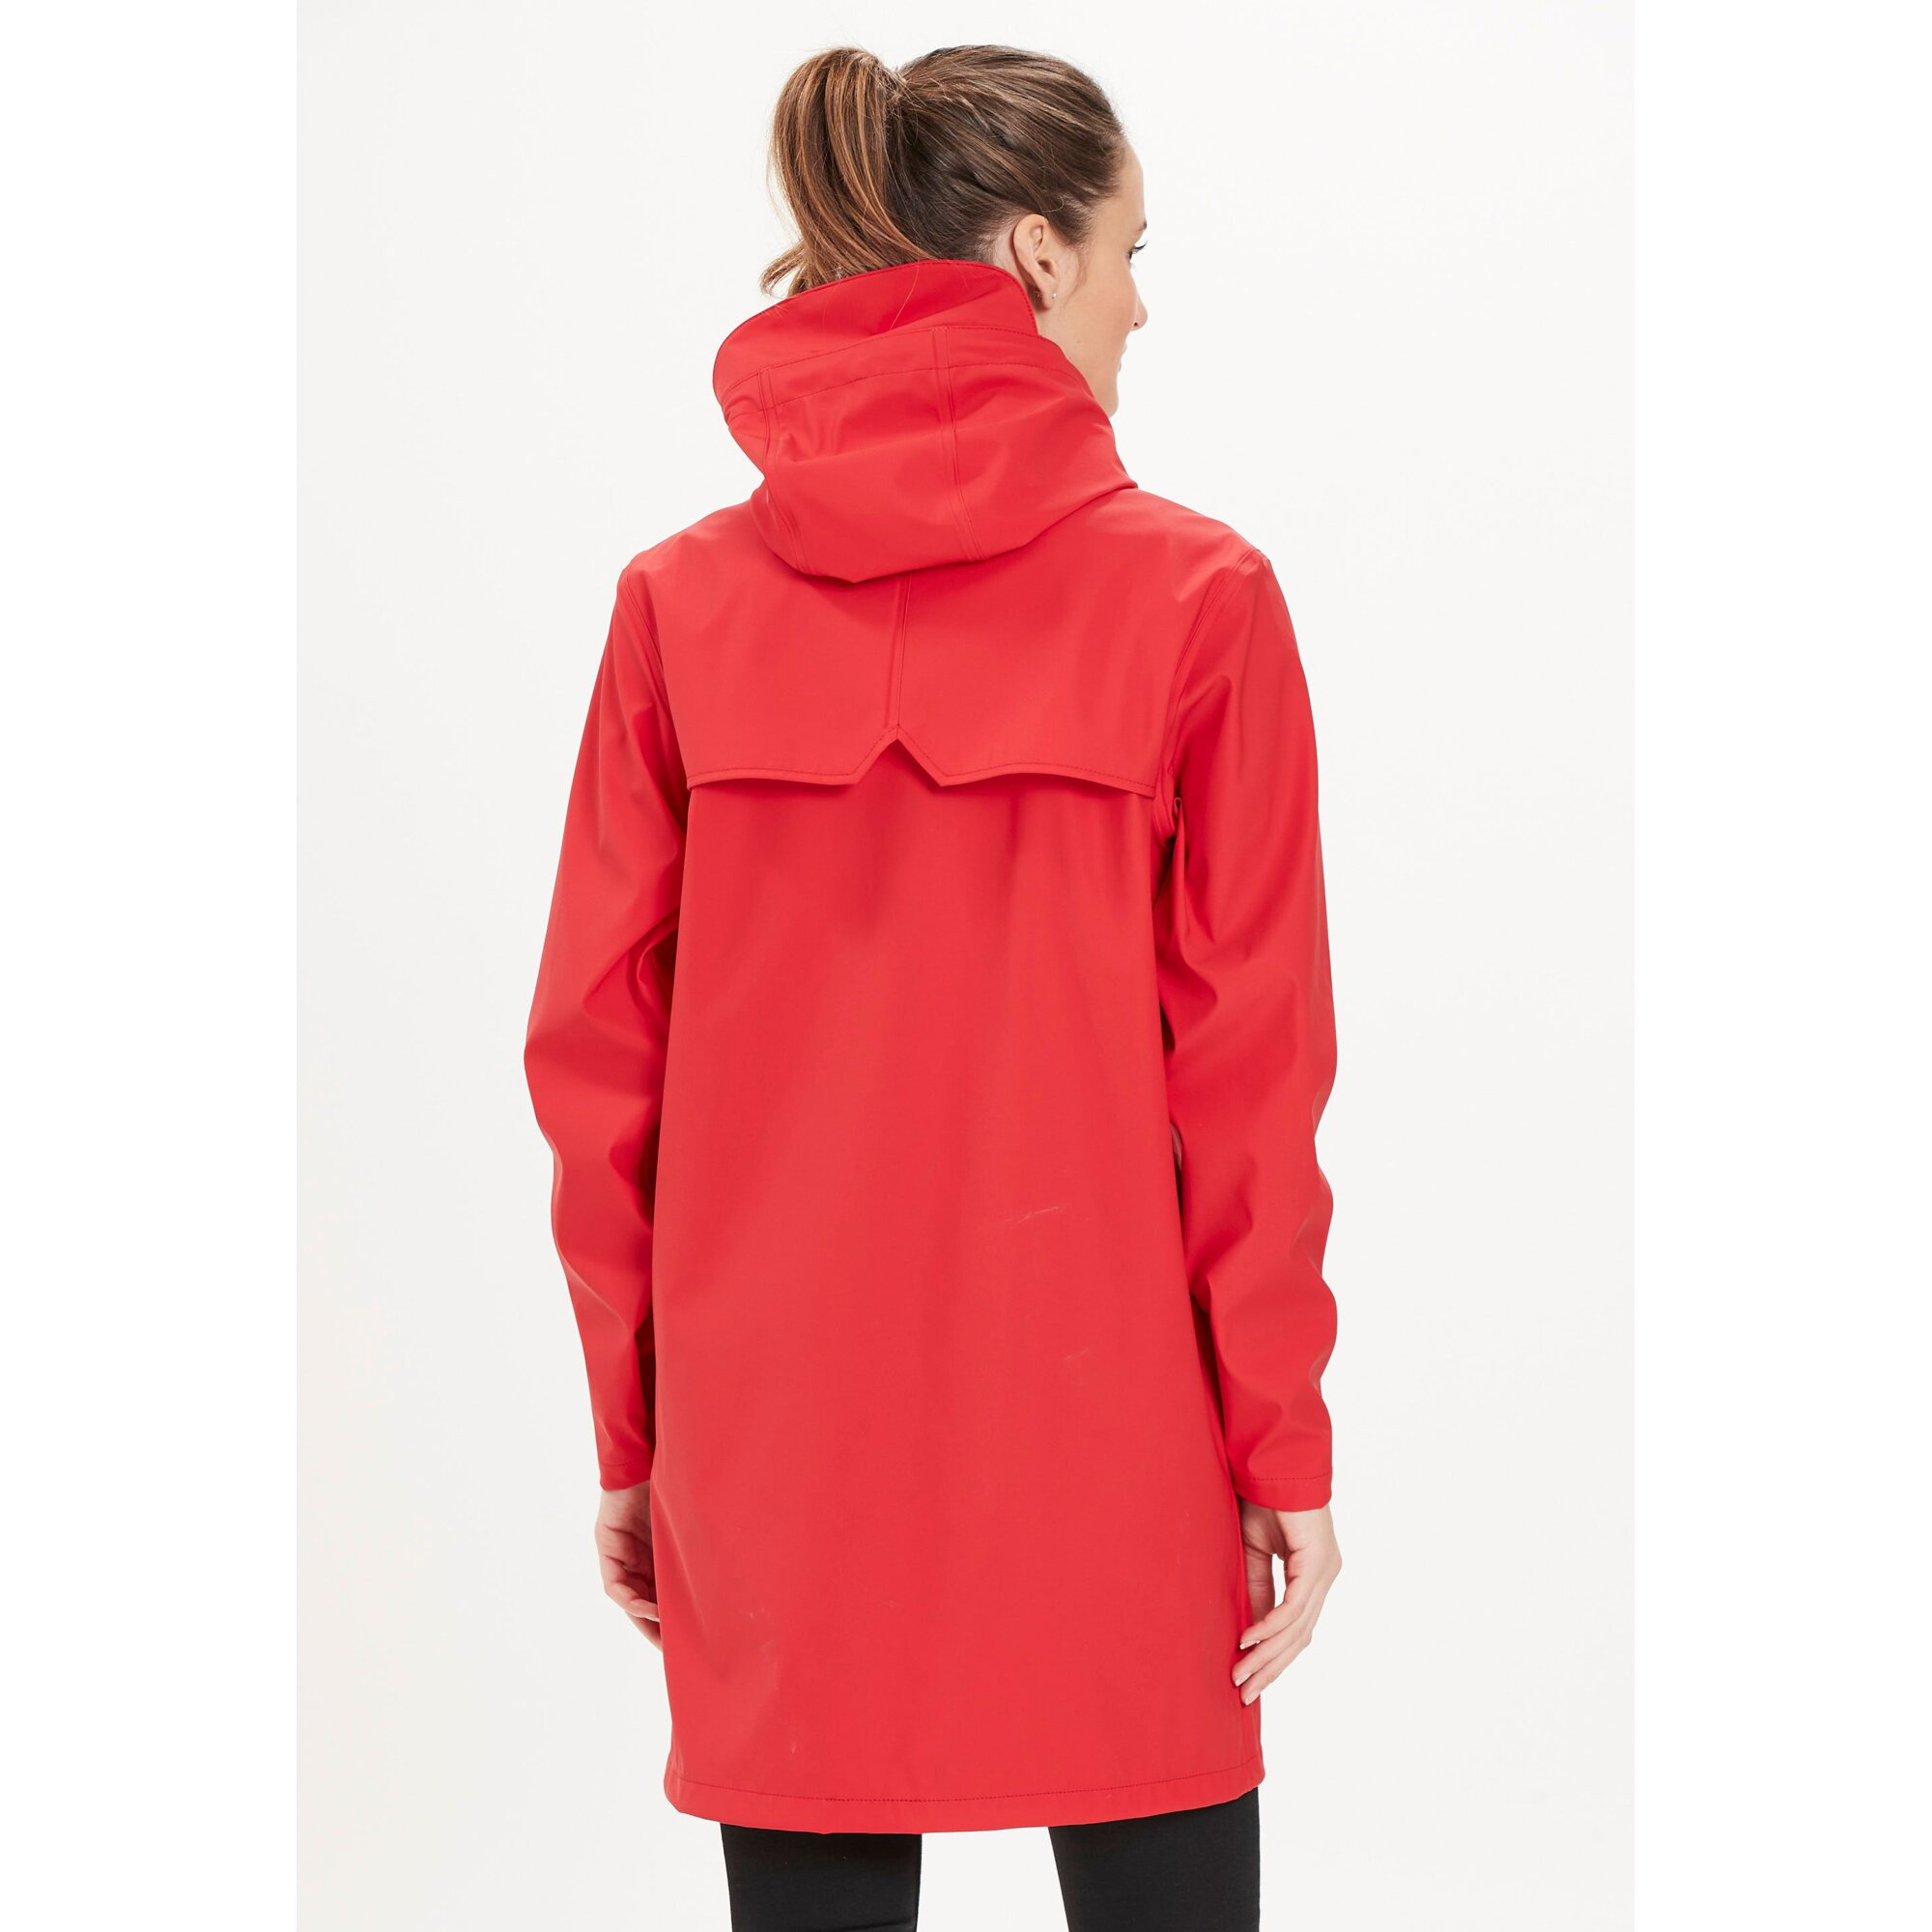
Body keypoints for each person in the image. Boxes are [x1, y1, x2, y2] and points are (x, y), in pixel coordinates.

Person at [525, 43, 1343, 1932]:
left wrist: (638, 1438)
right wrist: (1280, 1444)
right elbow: (1249, 1078)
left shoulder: (677, 604)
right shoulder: (1200, 599)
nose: (1142, 303)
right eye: (1132, 252)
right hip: (1118, 1442)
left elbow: (596, 1067)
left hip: (771, 1451)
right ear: (1041, 255)